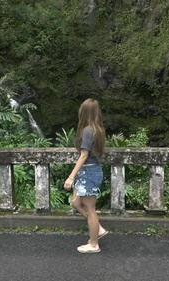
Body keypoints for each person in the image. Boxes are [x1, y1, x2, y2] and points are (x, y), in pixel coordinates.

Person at [64, 98, 108, 254]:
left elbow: (84, 156)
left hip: (89, 173)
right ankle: (99, 229)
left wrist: (71, 177)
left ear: (84, 112)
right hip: (88, 172)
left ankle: (94, 244)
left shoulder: (88, 131)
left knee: (90, 210)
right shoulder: (98, 129)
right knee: (76, 203)